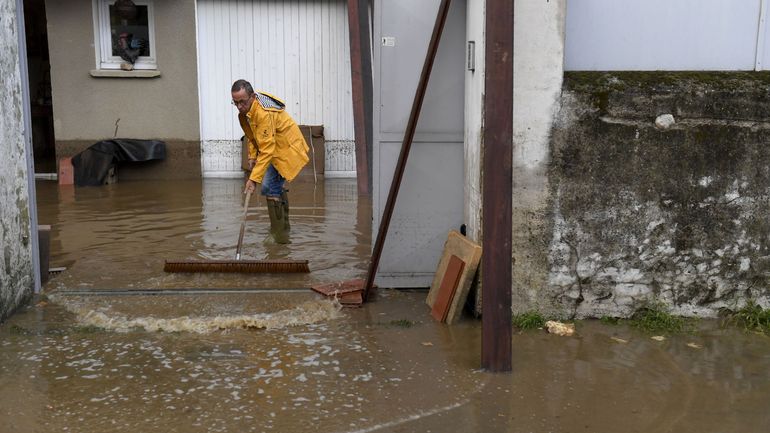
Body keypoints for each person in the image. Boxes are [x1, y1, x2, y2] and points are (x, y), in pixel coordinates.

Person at [231, 79, 309, 244]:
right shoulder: (245, 113)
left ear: (252, 96)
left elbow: (267, 149)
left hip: (286, 149)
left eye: (242, 102)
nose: (239, 107)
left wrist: (253, 179)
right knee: (272, 186)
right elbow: (252, 136)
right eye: (235, 102)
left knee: (268, 186)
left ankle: (278, 235)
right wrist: (252, 156)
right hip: (274, 148)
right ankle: (283, 228)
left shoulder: (264, 113)